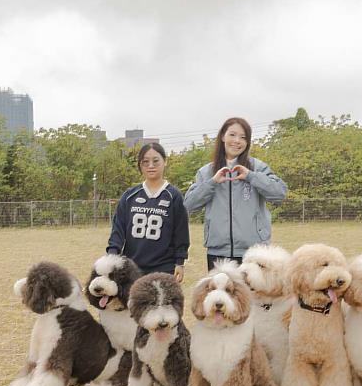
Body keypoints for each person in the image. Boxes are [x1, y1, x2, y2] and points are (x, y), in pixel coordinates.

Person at [184, 117, 287, 271]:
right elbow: (189, 204)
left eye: (243, 137)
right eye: (232, 135)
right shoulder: (206, 172)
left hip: (254, 252)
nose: (237, 141)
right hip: (218, 252)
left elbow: (279, 192)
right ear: (222, 137)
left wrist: (251, 176)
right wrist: (212, 182)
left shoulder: (257, 167)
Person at [107, 143, 190, 282]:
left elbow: (181, 232)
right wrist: (112, 255)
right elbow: (118, 229)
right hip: (132, 266)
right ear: (140, 165)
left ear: (165, 161)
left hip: (164, 267)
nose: (151, 166)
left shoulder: (173, 196)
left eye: (156, 161)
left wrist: (180, 262)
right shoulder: (130, 195)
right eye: (145, 162)